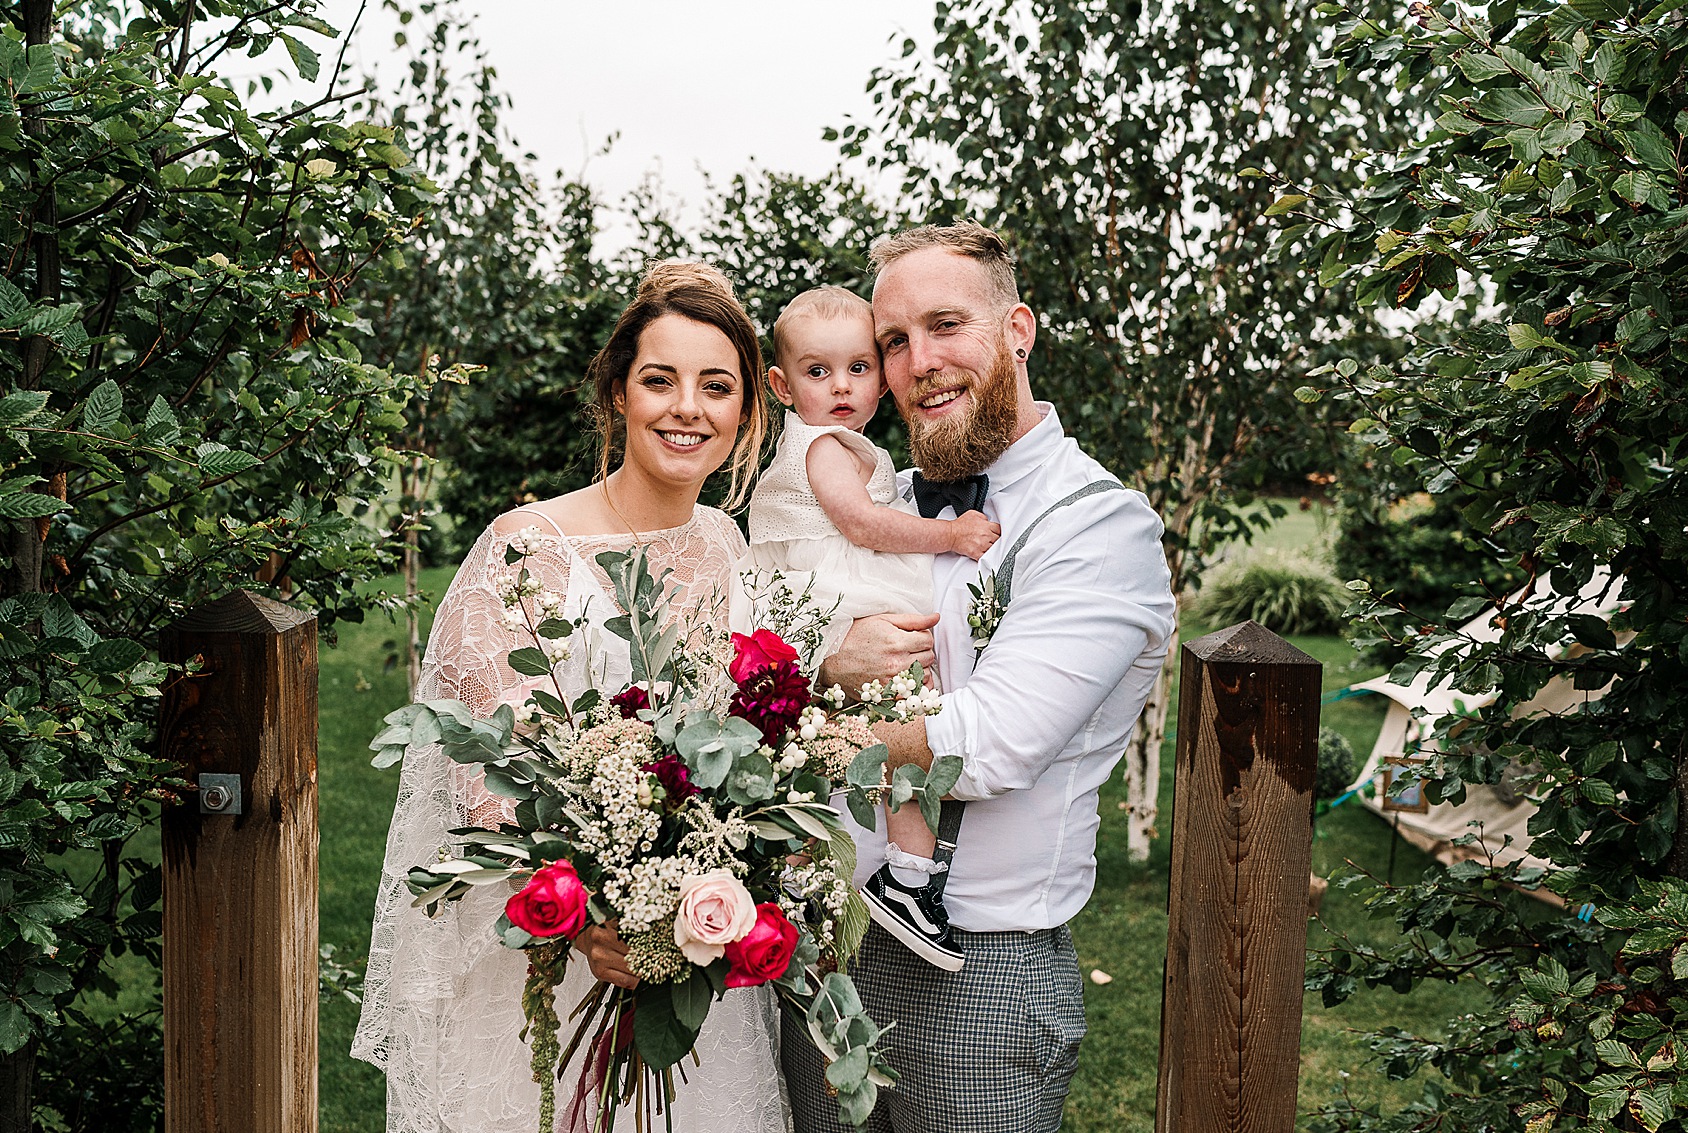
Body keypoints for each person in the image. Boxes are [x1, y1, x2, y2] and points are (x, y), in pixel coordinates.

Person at [352, 261, 792, 1133]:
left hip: (697, 959)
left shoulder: (726, 542)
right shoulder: (525, 547)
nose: (687, 408)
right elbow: (486, 778)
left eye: (716, 386)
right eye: (659, 380)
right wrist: (596, 911)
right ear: (618, 394)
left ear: (746, 410)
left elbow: (747, 741)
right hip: (555, 960)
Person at [783, 223, 1176, 1133]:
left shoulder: (1100, 527)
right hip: (820, 947)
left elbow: (985, 746)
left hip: (980, 980)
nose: (919, 361)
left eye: (947, 324)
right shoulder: (871, 499)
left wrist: (778, 738)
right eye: (893, 341)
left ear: (1018, 331)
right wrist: (823, 662)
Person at [744, 285, 1000, 971]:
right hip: (843, 597)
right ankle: (909, 876)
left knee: (823, 742)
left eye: (859, 368)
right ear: (781, 382)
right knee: (908, 714)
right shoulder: (826, 446)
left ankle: (802, 871)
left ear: (881, 382)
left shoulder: (833, 442)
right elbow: (862, 524)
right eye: (817, 371)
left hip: (824, 601)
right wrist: (950, 535)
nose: (841, 387)